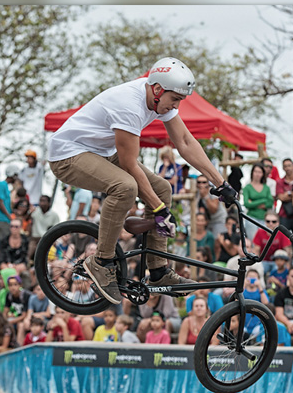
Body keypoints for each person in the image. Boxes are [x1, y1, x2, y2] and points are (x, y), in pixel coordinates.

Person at [47, 57, 231, 305]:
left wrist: (221, 183)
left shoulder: (160, 97)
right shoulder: (129, 106)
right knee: (125, 186)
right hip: (68, 155)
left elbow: (186, 143)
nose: (175, 106)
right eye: (174, 100)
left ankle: (158, 272)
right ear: (157, 90)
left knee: (162, 188)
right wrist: (158, 209)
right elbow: (129, 165)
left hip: (100, 151)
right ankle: (101, 262)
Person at [252, 210, 292, 276]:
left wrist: (288, 266)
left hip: (278, 262)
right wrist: (256, 265)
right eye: (268, 221)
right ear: (265, 222)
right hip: (263, 261)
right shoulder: (260, 232)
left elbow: (288, 251)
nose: (271, 223)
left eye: (274, 221)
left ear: (278, 222)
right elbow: (256, 251)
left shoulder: (282, 233)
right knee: (258, 270)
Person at [242, 163, 272, 238]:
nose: (257, 174)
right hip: (251, 218)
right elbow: (246, 204)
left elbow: (270, 203)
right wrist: (263, 200)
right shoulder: (247, 188)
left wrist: (253, 202)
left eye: (260, 172)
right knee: (253, 241)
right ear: (252, 173)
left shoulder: (266, 187)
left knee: (265, 242)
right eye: (255, 171)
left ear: (263, 174)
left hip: (264, 219)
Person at [29, 195, 60, 262]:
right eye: (40, 201)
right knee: (29, 253)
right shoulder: (35, 212)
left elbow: (56, 230)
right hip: (35, 238)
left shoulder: (54, 215)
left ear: (49, 203)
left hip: (47, 239)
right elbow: (28, 220)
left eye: (44, 201)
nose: (41, 203)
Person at [275, 158, 293, 239]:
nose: (287, 168)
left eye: (289, 165)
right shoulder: (280, 181)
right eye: (285, 166)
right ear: (283, 168)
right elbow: (281, 197)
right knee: (283, 237)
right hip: (284, 214)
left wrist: (288, 194)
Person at [0, 170, 15, 240]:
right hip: (1, 219)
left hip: (4, 219)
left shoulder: (5, 185)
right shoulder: (2, 184)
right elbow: (0, 203)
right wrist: (9, 216)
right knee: (3, 242)